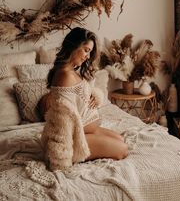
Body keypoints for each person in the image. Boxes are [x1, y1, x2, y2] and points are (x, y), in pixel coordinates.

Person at [40, 27, 128, 171]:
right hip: (75, 138)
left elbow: (79, 93)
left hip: (86, 130)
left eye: (90, 52)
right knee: (123, 150)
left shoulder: (71, 71)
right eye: (86, 50)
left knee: (121, 139)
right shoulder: (64, 75)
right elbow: (63, 118)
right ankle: (81, 155)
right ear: (73, 46)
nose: (87, 56)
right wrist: (61, 156)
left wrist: (94, 95)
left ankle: (95, 150)